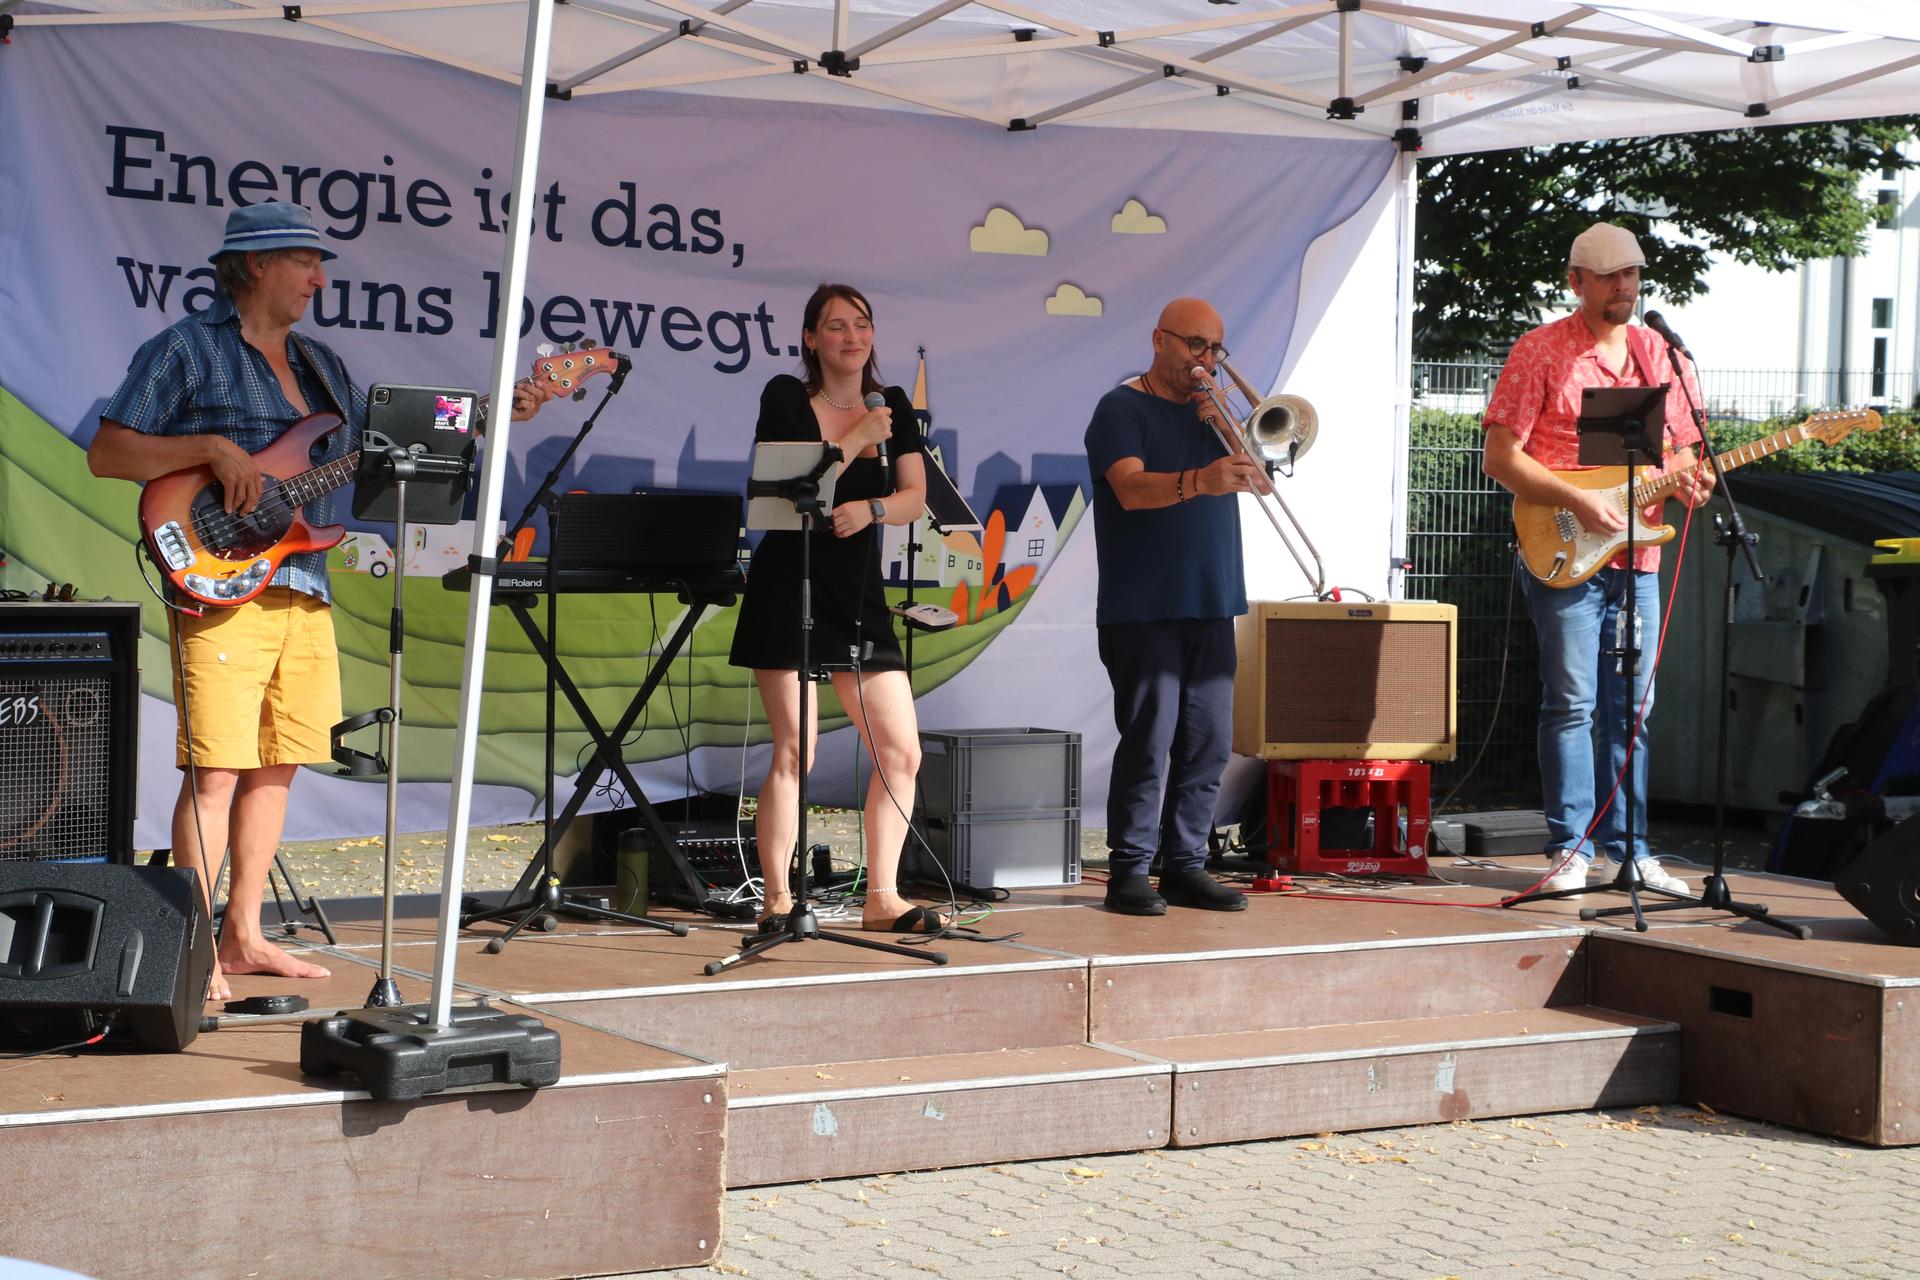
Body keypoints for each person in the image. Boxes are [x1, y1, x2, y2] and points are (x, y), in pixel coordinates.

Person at [89, 202, 549, 1001]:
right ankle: (187, 949)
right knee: (217, 775)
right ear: (256, 264)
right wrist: (209, 447)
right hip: (219, 585)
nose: (319, 277)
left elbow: (385, 450)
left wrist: (491, 417)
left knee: (277, 768)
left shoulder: (324, 366)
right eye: (306, 260)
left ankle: (243, 936)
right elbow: (110, 452)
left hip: (304, 583)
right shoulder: (186, 350)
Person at [1481, 221, 1715, 894]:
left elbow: (1683, 450)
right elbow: (1501, 457)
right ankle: (1570, 850)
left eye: (1633, 274)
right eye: (1610, 275)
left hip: (1638, 557)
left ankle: (1632, 851)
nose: (1625, 286)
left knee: (1633, 708)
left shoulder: (1659, 354)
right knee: (1573, 703)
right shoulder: (1541, 350)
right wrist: (1577, 502)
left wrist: (1689, 477)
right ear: (1575, 281)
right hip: (1566, 547)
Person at [729, 283, 948, 934]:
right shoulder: (785, 397)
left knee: (900, 751)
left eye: (861, 324)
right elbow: (792, 490)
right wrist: (857, 438)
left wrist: (874, 508)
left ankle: (882, 897)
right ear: (810, 339)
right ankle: (777, 899)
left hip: (856, 594)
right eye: (835, 326)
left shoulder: (893, 405)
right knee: (798, 750)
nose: (851, 337)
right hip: (789, 581)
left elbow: (915, 495)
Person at [1084, 297, 1271, 916]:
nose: (1206, 360)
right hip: (1144, 604)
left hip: (1212, 598)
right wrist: (1201, 479)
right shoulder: (1120, 408)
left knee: (1210, 742)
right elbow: (1131, 489)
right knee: (1149, 738)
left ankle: (1187, 864)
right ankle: (1130, 870)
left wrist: (1231, 426)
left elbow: (1265, 481)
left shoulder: (1212, 413)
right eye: (1195, 345)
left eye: (1215, 348)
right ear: (1159, 339)